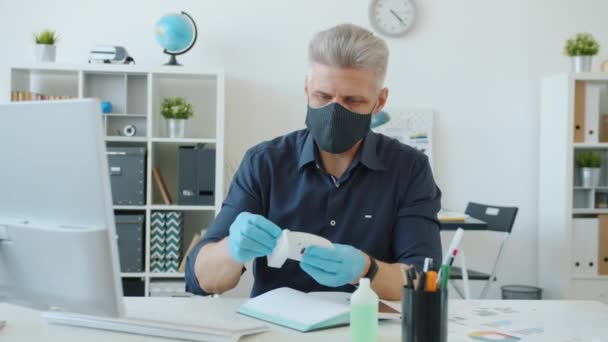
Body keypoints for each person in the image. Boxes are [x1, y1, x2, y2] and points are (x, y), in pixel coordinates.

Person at [185, 23, 442, 301]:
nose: (335, 111)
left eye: (352, 101)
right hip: (278, 329)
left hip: (368, 327)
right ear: (307, 89)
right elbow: (203, 280)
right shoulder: (265, 163)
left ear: (379, 102)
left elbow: (425, 280)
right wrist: (232, 249)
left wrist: (368, 270)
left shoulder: (409, 169)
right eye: (323, 96)